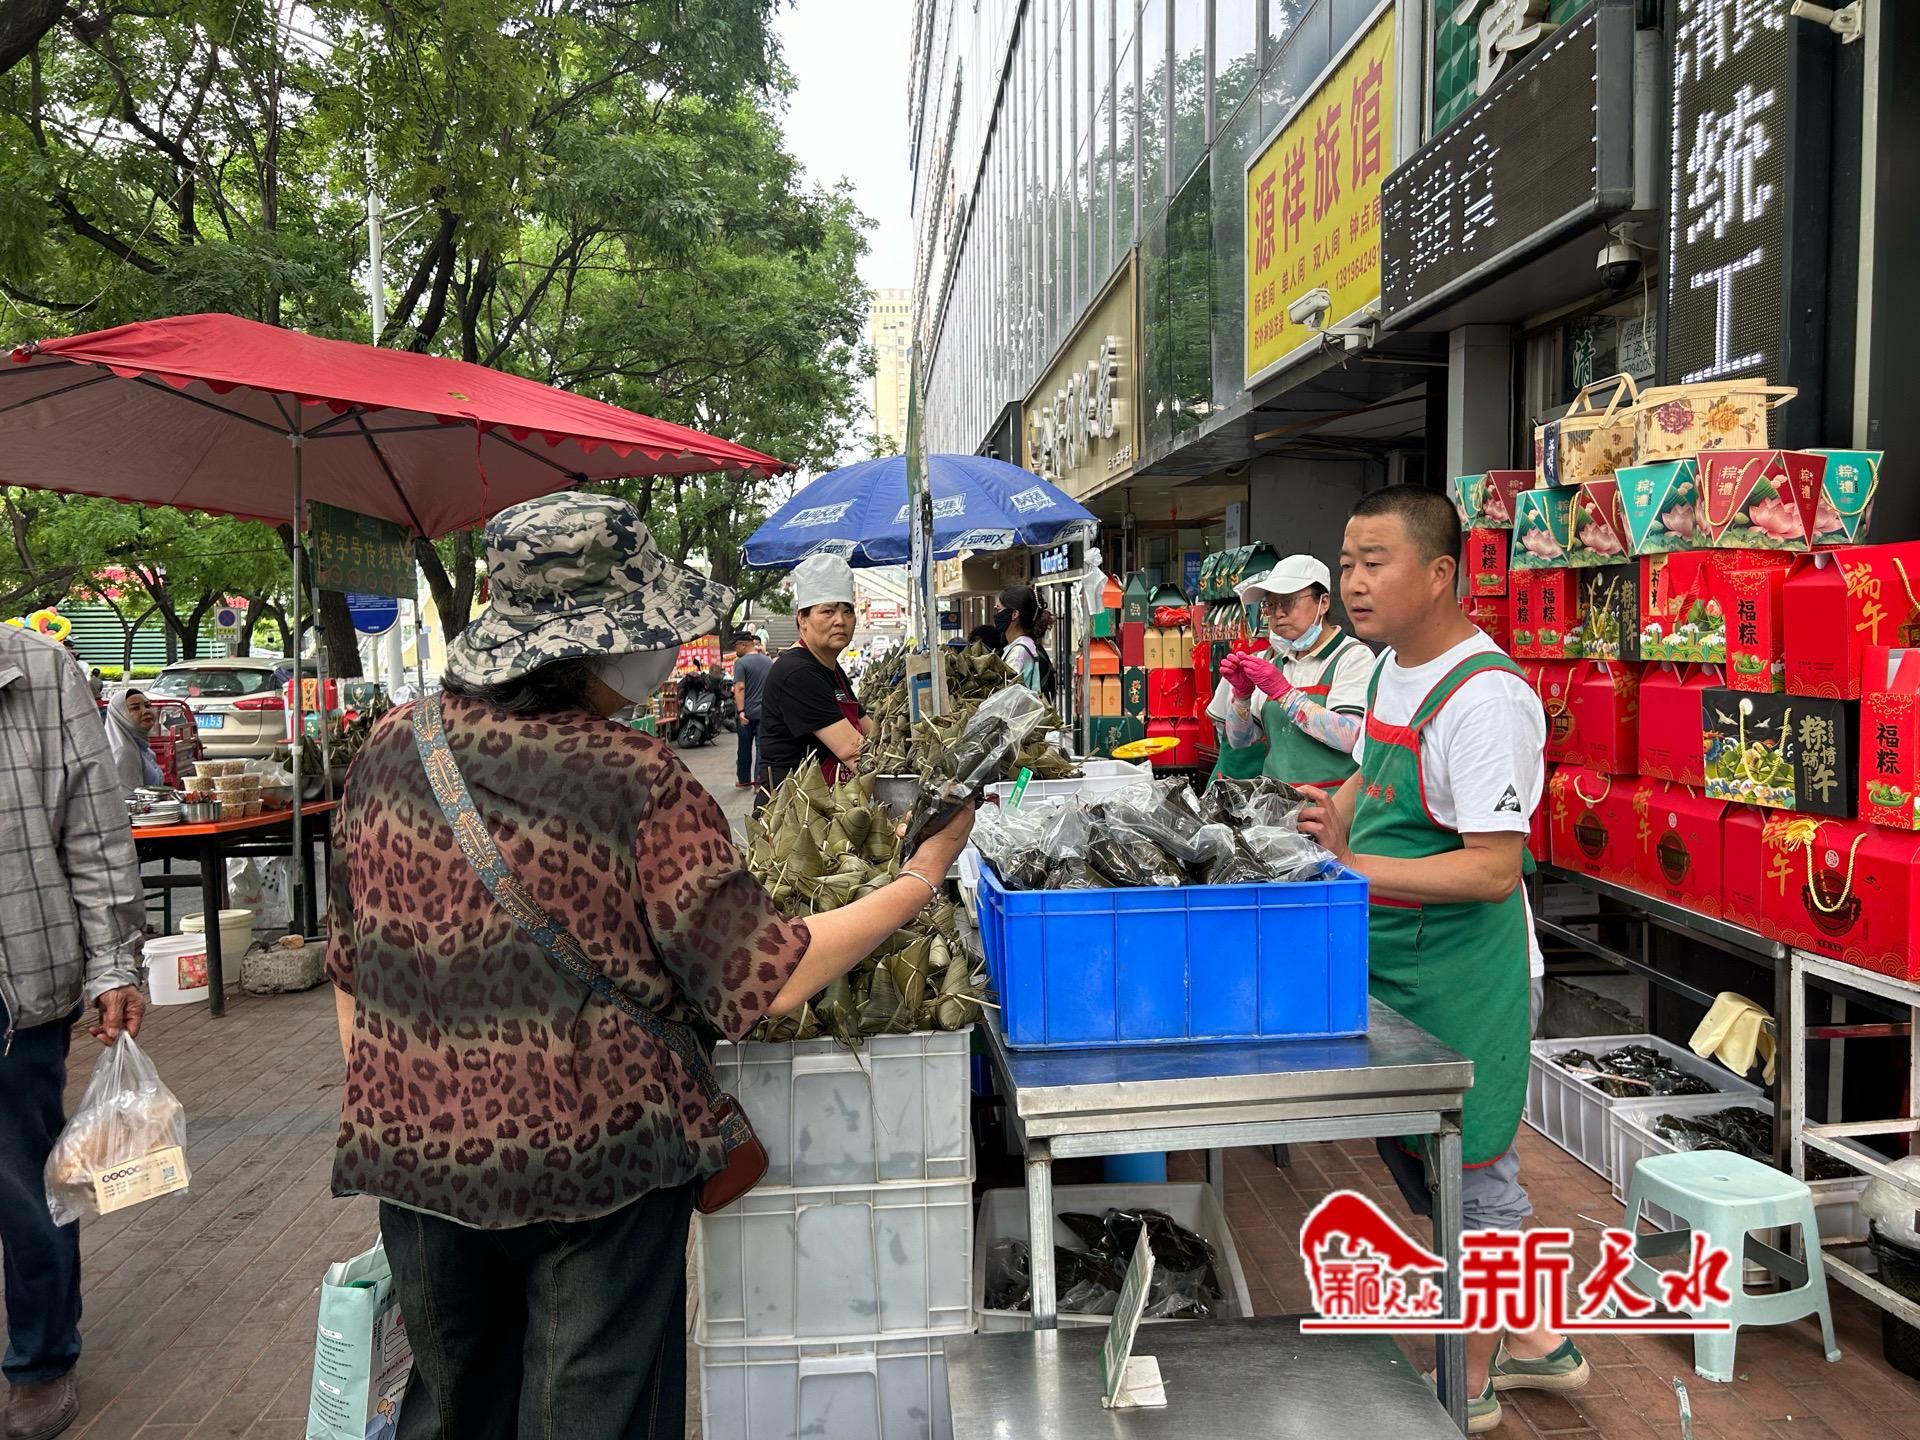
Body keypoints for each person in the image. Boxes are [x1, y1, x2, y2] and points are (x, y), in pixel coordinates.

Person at [325, 494, 974, 1440]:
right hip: (598, 1170)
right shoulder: (634, 776)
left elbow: (352, 972)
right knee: (590, 1417)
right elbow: (766, 978)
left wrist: (410, 1095)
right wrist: (920, 876)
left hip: (418, 1161)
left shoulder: (390, 747)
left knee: (456, 1409)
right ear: (594, 646)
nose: (663, 648)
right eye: (648, 628)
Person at [1298, 486, 1583, 1432]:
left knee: (1475, 1173)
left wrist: (1353, 865)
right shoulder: (1393, 667)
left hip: (1468, 977)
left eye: (1374, 562)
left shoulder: (1487, 699)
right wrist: (1327, 812)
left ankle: (1471, 1380)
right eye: (1346, 563)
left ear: (1439, 573)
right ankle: (1537, 1338)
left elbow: (1495, 869)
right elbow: (1374, 775)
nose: (1353, 582)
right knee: (1425, 1159)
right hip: (1396, 961)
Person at [0, 626, 147, 1440]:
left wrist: (114, 964)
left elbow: (94, 834)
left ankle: (41, 1357)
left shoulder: (36, 668)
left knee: (24, 1183)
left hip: (15, 982)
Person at [1206, 555, 1373, 787]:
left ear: (1323, 602)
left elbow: (1350, 737)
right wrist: (1241, 696)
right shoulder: (1273, 662)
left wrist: (1285, 694)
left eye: (1287, 602)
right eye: (1270, 605)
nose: (1278, 614)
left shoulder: (1353, 657)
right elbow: (1240, 741)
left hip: (1330, 802)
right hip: (1276, 801)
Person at [758, 553, 869, 789]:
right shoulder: (797, 672)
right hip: (795, 806)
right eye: (828, 611)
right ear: (802, 619)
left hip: (828, 798)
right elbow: (853, 751)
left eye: (848, 611)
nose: (840, 621)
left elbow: (871, 731)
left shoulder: (831, 668)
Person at [995, 586, 1055, 695]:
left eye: (998, 609)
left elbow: (1006, 697)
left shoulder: (1019, 653)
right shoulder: (1027, 645)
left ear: (1014, 614)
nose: (996, 614)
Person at [731, 633, 772, 791]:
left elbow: (740, 687)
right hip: (764, 712)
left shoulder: (741, 663)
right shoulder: (767, 661)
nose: (736, 650)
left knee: (744, 747)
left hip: (747, 713)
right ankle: (759, 782)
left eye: (736, 646)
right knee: (762, 748)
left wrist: (741, 711)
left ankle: (744, 780)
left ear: (743, 645)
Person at [103, 688, 164, 793]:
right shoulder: (125, 752)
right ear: (120, 715)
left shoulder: (141, 746)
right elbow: (128, 797)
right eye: (135, 708)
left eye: (147, 706)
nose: (145, 711)